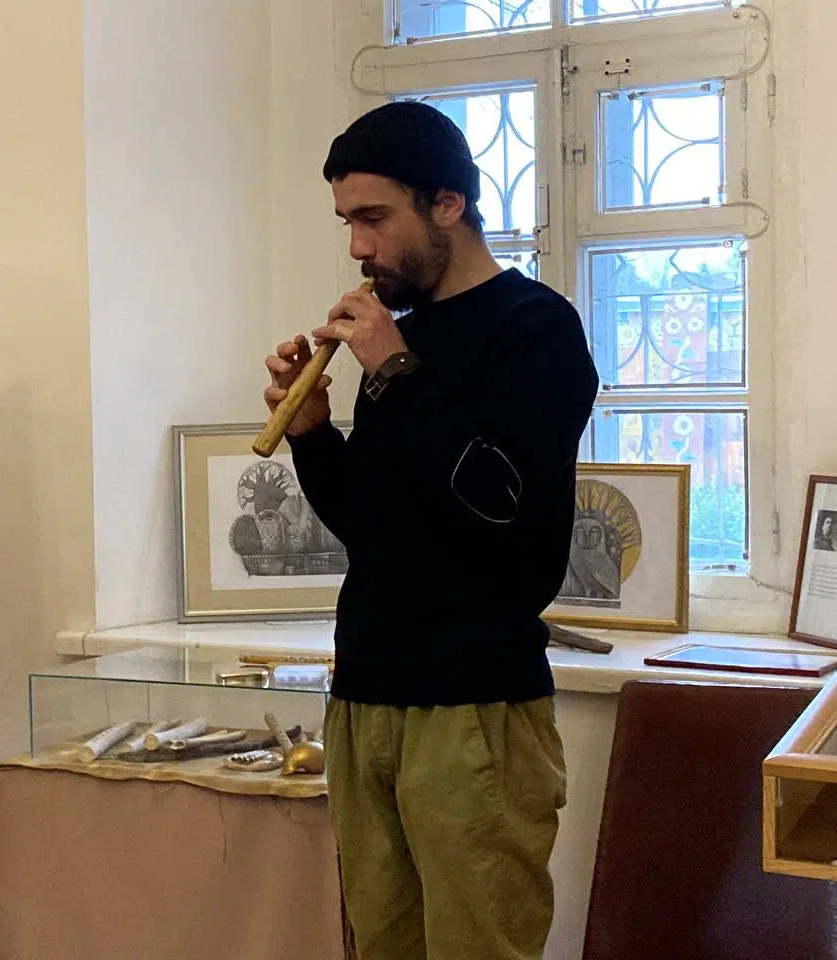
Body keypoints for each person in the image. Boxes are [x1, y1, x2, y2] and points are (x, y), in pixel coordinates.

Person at [262, 100, 600, 960]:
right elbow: (373, 527)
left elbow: (501, 506)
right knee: (382, 945)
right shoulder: (398, 345)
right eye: (347, 222)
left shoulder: (537, 328)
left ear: (448, 203)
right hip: (365, 693)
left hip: (475, 706)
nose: (358, 247)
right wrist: (313, 436)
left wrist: (398, 372)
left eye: (375, 218)